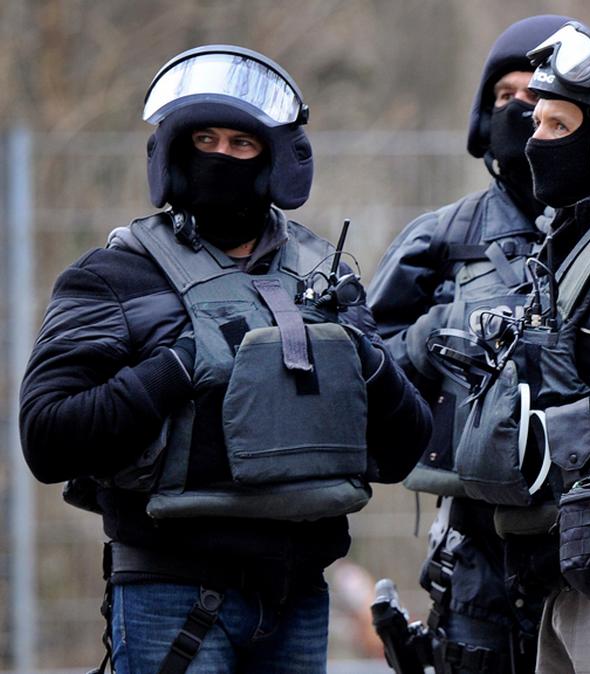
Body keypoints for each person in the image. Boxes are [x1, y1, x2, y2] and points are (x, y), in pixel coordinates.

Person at [19, 45, 431, 673]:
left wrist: (362, 357)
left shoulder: (323, 279)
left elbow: (404, 449)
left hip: (297, 597)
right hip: (169, 592)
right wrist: (182, 364)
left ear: (275, 161)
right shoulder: (113, 277)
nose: (220, 156)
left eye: (241, 144)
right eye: (204, 140)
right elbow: (47, 437)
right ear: (172, 152)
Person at [457, 23, 590, 673]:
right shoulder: (569, 240)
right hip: (563, 563)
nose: (533, 139)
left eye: (556, 125)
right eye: (535, 121)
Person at [367, 15, 570, 674]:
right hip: (478, 543)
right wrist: (435, 335)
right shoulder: (443, 236)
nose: (521, 111)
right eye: (505, 95)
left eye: (538, 96)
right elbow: (365, 368)